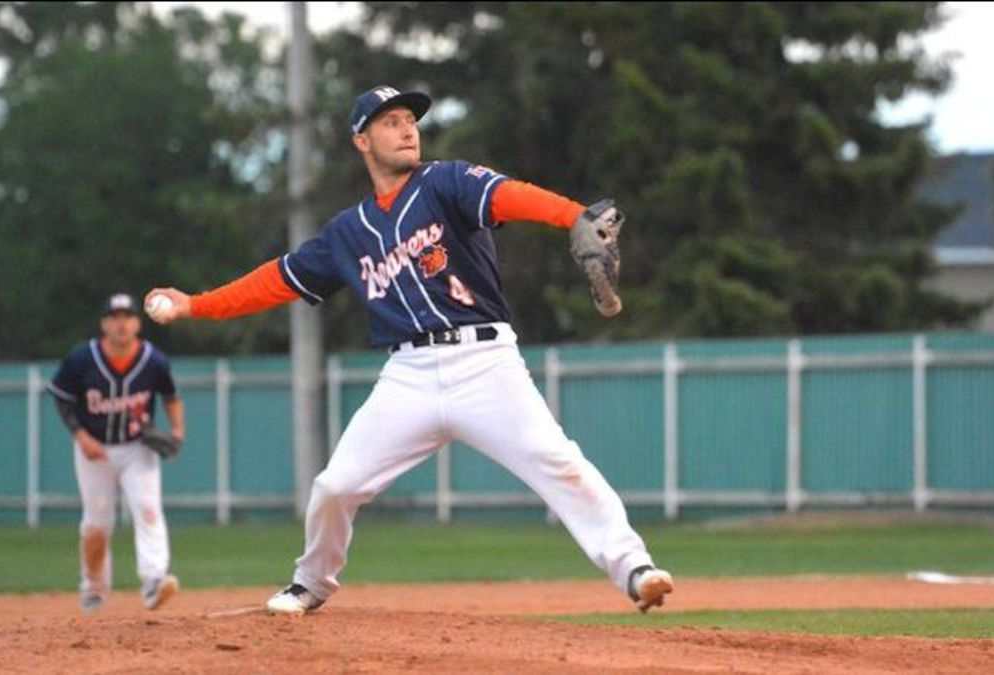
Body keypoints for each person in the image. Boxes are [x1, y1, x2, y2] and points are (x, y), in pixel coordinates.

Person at [144, 85, 673, 615]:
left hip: (485, 363)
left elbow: (509, 195)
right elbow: (277, 280)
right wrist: (195, 305)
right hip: (409, 374)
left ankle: (635, 568)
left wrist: (574, 215)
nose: (406, 130)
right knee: (335, 486)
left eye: (409, 120)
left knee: (558, 462)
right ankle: (311, 582)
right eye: (390, 121)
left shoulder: (445, 182)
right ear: (362, 140)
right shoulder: (348, 233)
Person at [47, 293, 185, 613]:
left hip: (138, 447)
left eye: (127, 317)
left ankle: (154, 582)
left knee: (148, 510)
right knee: (97, 521)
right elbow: (62, 397)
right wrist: (80, 436)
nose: (121, 324)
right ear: (104, 324)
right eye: (114, 317)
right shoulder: (82, 359)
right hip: (95, 451)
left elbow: (171, 396)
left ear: (138, 323)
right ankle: (93, 588)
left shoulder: (153, 360)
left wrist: (178, 430)